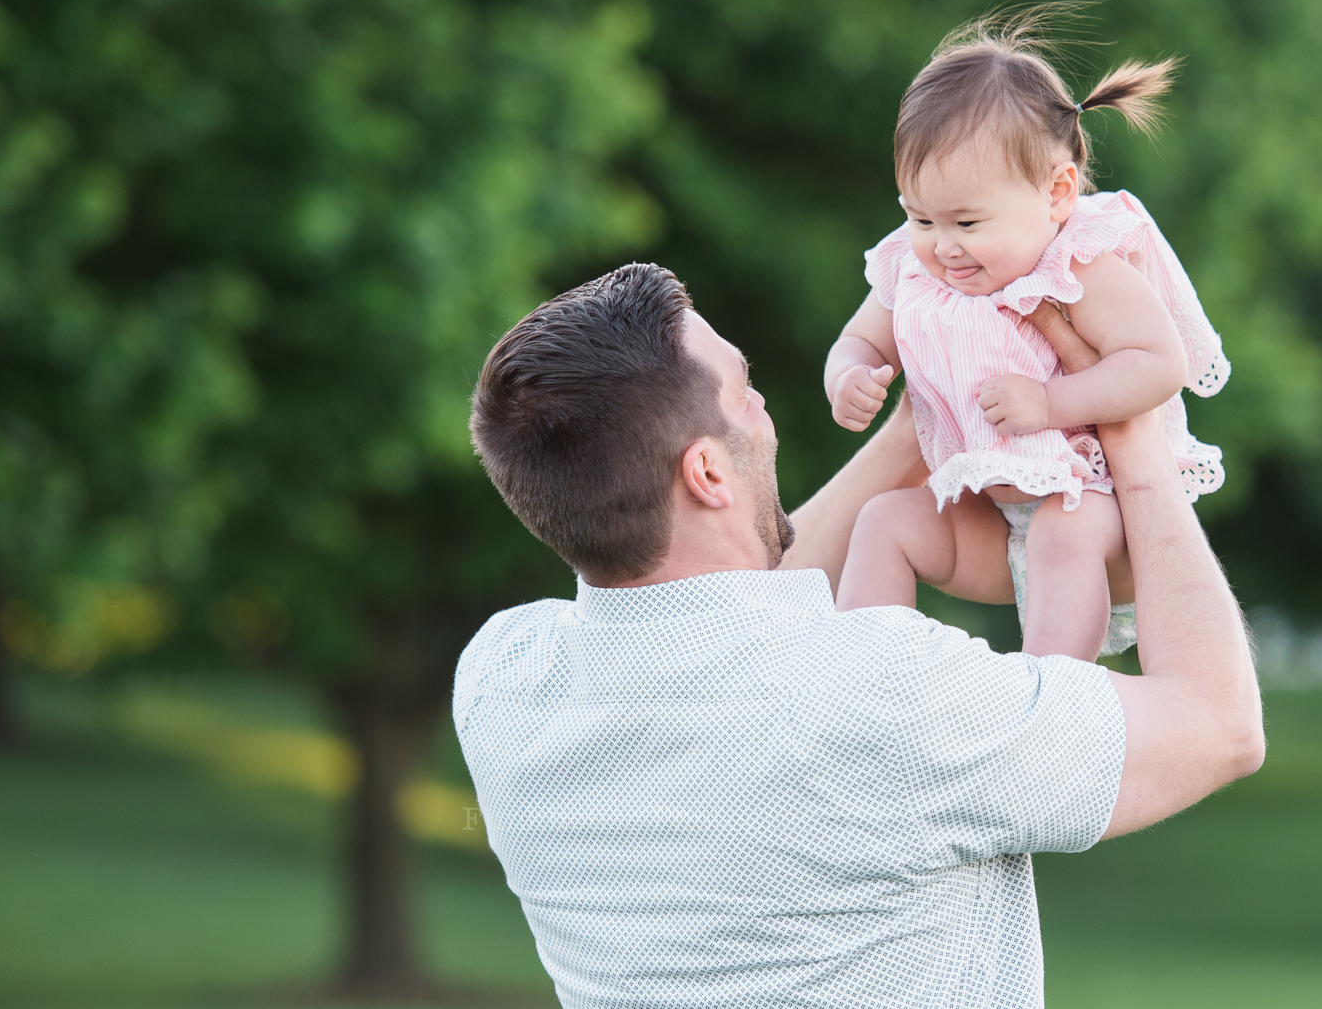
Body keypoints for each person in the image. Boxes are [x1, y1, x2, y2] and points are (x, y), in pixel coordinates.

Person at [456, 261, 1261, 1008]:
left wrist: (926, 416)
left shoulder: (499, 683)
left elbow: (713, 611)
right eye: (747, 392)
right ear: (706, 473)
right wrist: (1134, 440)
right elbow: (1218, 724)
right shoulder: (890, 695)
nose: (765, 411)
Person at [827, 12, 1229, 660]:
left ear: (1058, 193)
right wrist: (848, 376)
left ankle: (1049, 700)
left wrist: (1050, 404)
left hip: (1097, 510)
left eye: (967, 220)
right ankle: (868, 678)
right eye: (920, 215)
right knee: (884, 519)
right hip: (993, 521)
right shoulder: (913, 265)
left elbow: (1157, 363)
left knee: (1060, 536)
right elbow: (859, 340)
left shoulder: (1081, 266)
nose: (943, 245)